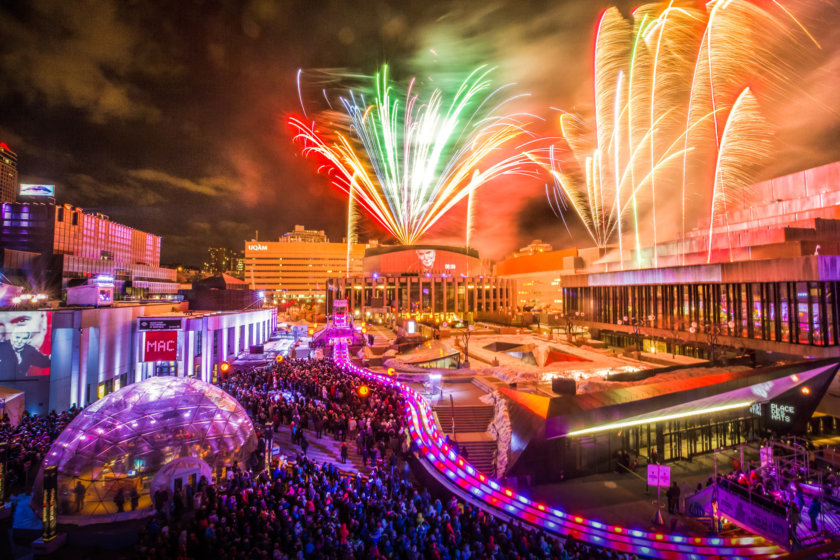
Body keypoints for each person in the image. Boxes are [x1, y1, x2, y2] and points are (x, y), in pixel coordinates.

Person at [0, 313, 51, 378]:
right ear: (12, 337)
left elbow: (44, 361)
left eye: (21, 321)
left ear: (43, 322)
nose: (20, 341)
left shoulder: (29, 349)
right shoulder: (2, 347)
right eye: (17, 337)